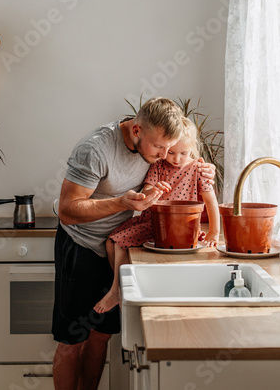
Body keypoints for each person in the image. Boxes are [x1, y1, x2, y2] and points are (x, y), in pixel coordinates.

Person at [52, 97, 215, 390]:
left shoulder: (159, 145)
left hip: (120, 252)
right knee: (71, 340)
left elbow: (181, 162)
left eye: (171, 148)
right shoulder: (95, 149)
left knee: (102, 335)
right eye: (159, 148)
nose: (165, 155)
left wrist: (204, 169)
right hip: (82, 248)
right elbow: (67, 210)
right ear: (137, 130)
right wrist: (120, 202)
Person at [94, 116, 220, 314]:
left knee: (118, 242)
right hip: (154, 221)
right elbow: (145, 193)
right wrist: (154, 191)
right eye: (171, 152)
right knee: (110, 242)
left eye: (184, 153)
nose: (177, 159)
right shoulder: (159, 166)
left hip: (180, 227)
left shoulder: (198, 169)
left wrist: (214, 233)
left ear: (193, 148)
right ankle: (122, 286)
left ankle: (117, 289)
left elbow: (211, 202)